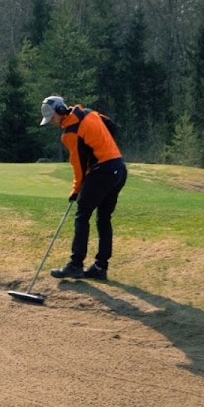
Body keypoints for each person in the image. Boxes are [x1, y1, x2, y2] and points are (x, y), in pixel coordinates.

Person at [39, 95, 127, 280]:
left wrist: (76, 189)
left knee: (82, 215)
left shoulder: (71, 133)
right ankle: (100, 267)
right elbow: (112, 127)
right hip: (119, 169)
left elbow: (78, 165)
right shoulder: (89, 113)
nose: (53, 122)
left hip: (102, 173)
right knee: (103, 218)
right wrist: (103, 147)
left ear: (61, 111)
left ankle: (75, 265)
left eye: (52, 118)